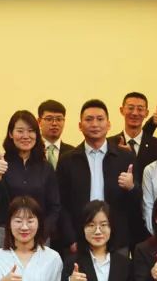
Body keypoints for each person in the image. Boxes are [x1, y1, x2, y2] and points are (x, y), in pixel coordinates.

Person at [56, 99, 136, 252]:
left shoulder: (125, 158)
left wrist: (132, 187)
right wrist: (71, 239)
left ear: (109, 124)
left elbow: (137, 202)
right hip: (79, 239)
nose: (94, 124)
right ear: (80, 126)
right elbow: (61, 204)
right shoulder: (67, 160)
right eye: (89, 119)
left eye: (100, 119)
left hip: (117, 240)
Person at [0, 110, 61, 245]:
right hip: (6, 234)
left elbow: (55, 207)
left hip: (39, 235)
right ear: (11, 134)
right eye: (20, 131)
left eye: (31, 131)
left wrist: (43, 232)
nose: (26, 136)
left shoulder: (46, 167)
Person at [108, 92, 157, 245]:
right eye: (130, 108)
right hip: (117, 219)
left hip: (148, 219)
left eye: (140, 109)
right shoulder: (110, 144)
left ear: (146, 113)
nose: (135, 113)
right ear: (122, 110)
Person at [38, 100, 75, 169]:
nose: (54, 123)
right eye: (49, 119)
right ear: (39, 121)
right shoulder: (31, 150)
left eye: (59, 119)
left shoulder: (73, 153)